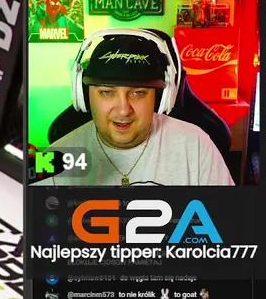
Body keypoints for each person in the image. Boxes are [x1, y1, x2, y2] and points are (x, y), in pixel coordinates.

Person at [35, 31, 234, 186]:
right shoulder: (52, 158)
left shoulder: (197, 146)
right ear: (84, 96)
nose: (123, 110)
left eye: (138, 93)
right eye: (107, 92)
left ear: (160, 98)